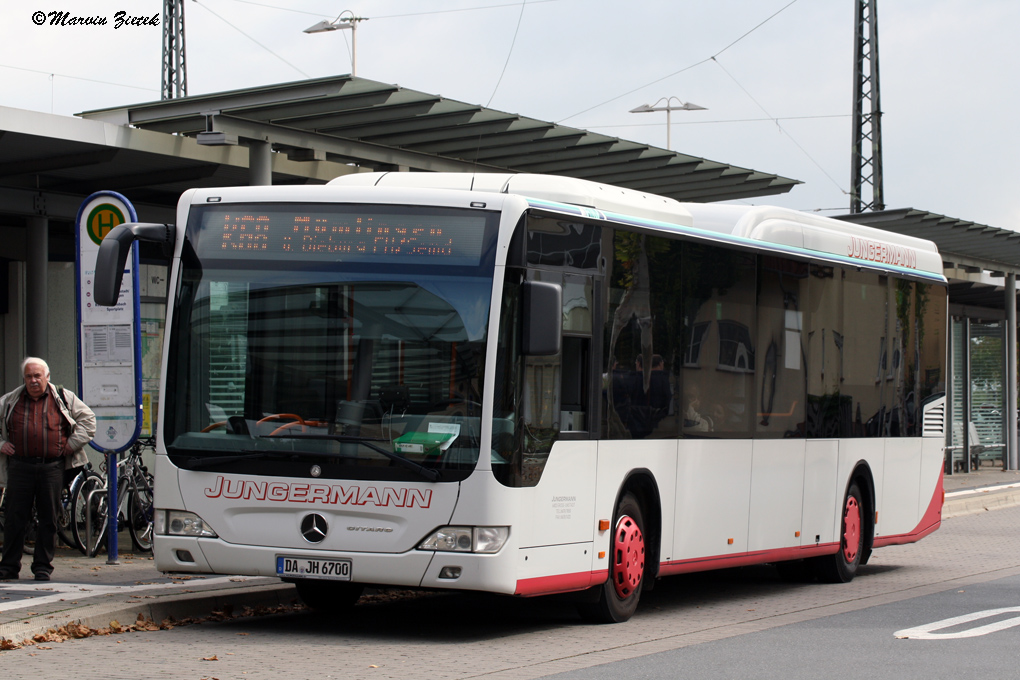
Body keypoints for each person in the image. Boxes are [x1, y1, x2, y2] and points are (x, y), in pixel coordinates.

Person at [0, 357, 95, 581]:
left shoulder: (63, 397)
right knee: (14, 518)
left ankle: (42, 567)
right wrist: (1, 444)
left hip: (52, 467)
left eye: (37, 376)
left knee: (49, 517)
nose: (33, 380)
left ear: (47, 377)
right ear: (24, 378)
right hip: (20, 466)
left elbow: (89, 421)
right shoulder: (10, 400)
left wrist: (71, 444)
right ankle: (8, 567)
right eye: (29, 376)